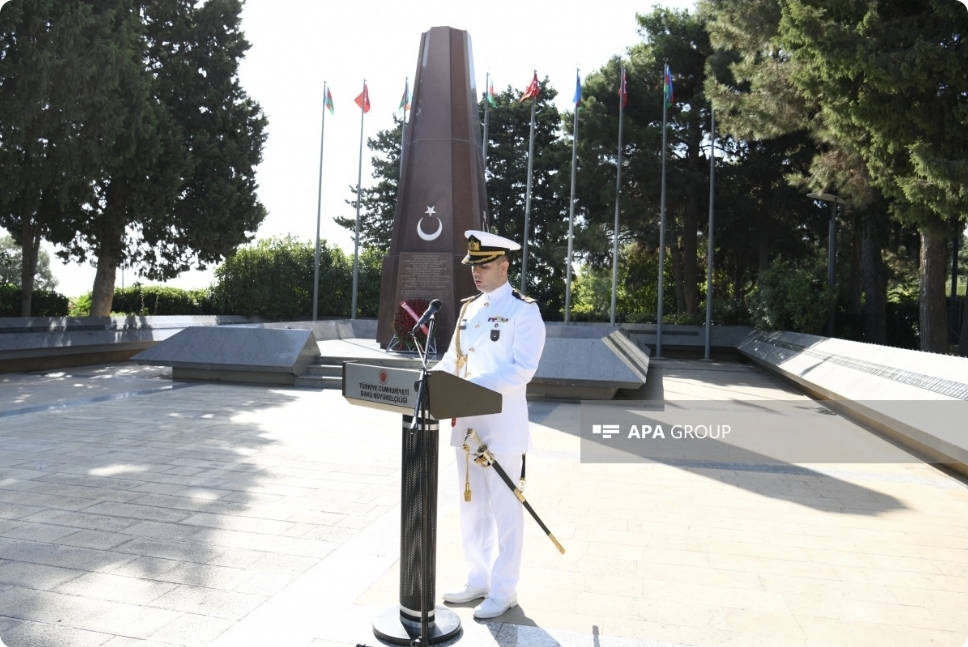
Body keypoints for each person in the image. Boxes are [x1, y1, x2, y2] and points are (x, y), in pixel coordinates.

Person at [434, 229, 546, 619]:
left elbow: (522, 369)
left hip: (502, 425)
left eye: (483, 265)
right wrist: (432, 379)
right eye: (473, 266)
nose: (476, 273)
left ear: (504, 265)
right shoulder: (468, 309)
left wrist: (468, 386)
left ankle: (504, 590)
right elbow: (452, 359)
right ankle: (478, 579)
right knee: (472, 507)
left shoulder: (524, 310)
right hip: (466, 424)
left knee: (505, 511)